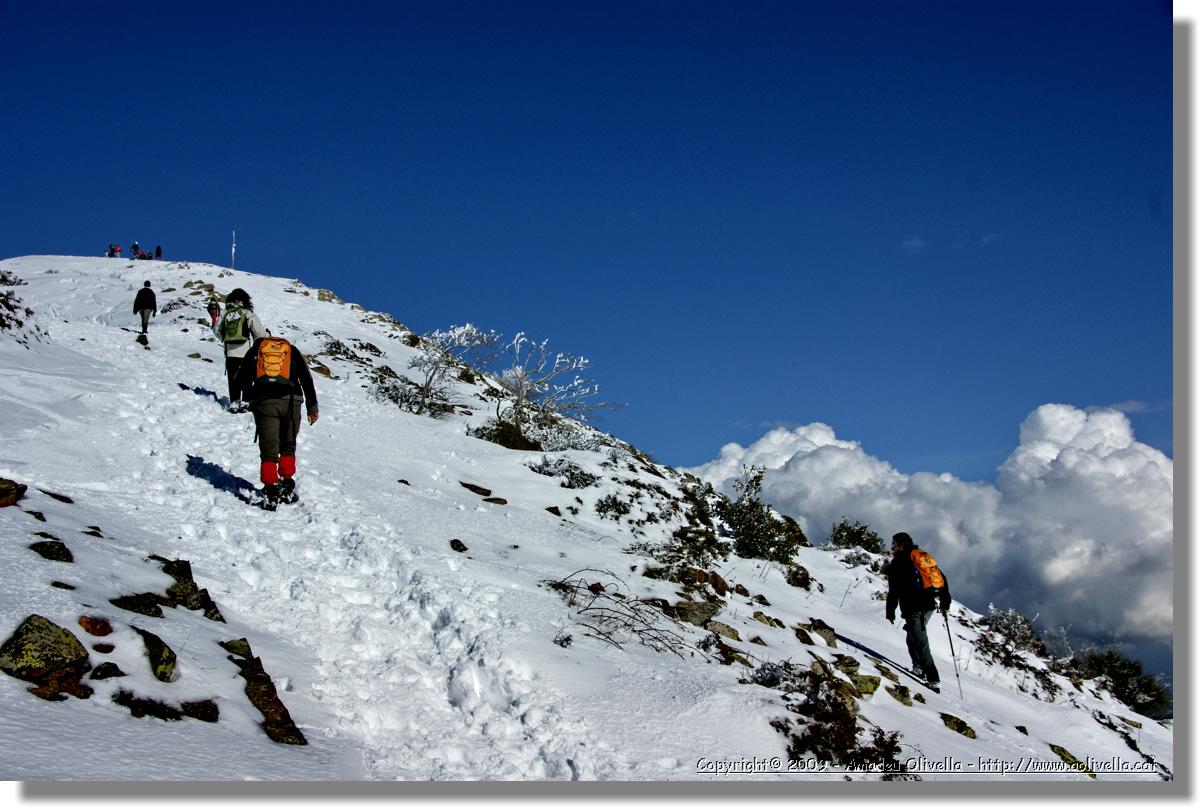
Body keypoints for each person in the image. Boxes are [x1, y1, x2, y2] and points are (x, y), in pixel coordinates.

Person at [232, 335, 319, 509]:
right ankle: (286, 486)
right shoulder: (291, 351)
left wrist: (250, 398)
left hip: (265, 402)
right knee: (288, 446)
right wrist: (312, 407)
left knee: (268, 451)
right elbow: (306, 378)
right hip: (292, 402)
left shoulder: (255, 351)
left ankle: (271, 491)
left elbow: (240, 379)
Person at [885, 531, 951, 692]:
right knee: (913, 637)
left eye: (895, 544)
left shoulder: (899, 561)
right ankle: (918, 668)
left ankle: (933, 678)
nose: (893, 547)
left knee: (920, 642)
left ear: (902, 544)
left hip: (913, 607)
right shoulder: (921, 557)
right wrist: (945, 601)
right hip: (928, 605)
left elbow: (894, 589)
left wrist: (890, 610)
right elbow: (941, 578)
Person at [213, 288, 267, 412]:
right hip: (246, 352)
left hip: (230, 352)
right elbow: (259, 332)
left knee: (233, 378)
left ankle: (234, 402)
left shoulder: (225, 312)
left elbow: (216, 331)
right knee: (247, 378)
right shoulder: (247, 312)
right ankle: (245, 402)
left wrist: (225, 339)